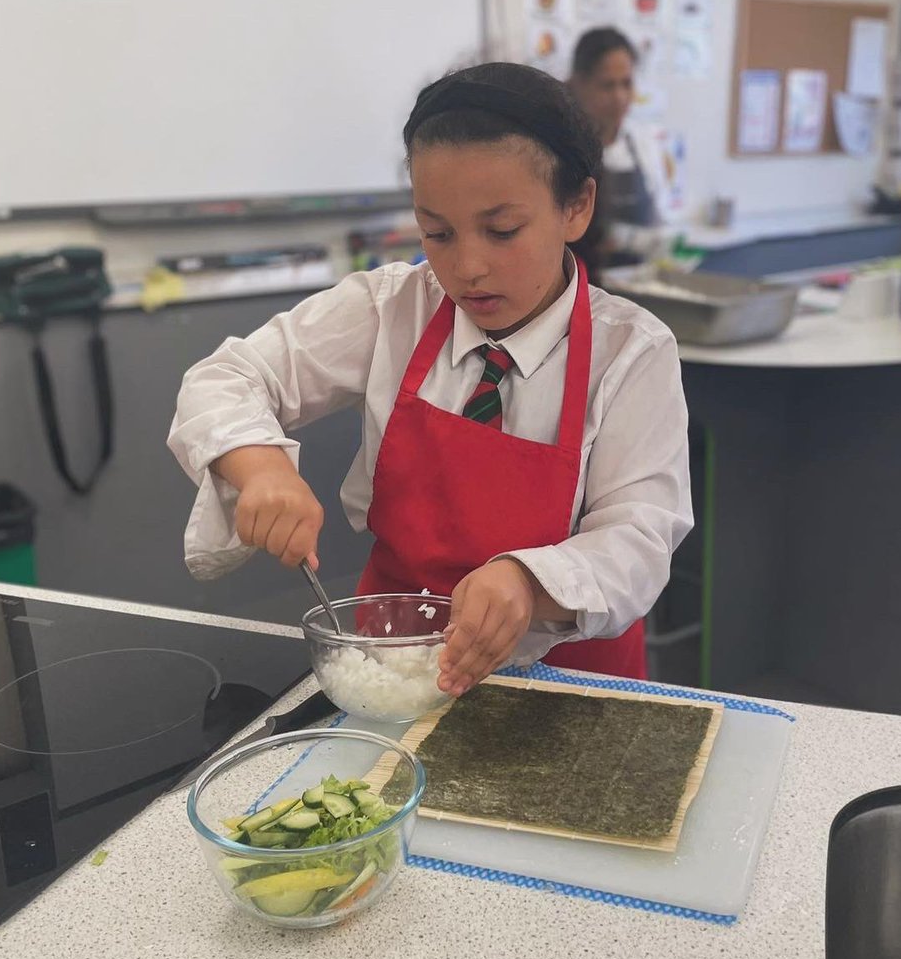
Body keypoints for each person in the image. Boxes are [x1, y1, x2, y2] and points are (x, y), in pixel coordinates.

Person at [167, 62, 692, 693]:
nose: (467, 267)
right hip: (398, 663)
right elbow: (227, 376)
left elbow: (639, 537)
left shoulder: (630, 352)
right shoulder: (393, 307)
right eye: (436, 233)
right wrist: (259, 466)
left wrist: (527, 582)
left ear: (576, 207)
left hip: (568, 683)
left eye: (502, 231)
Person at [569, 27, 672, 271]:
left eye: (626, 84)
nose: (619, 97)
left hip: (639, 288)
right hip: (585, 289)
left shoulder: (644, 144)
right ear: (579, 84)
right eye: (607, 86)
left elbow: (660, 219)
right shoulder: (563, 148)